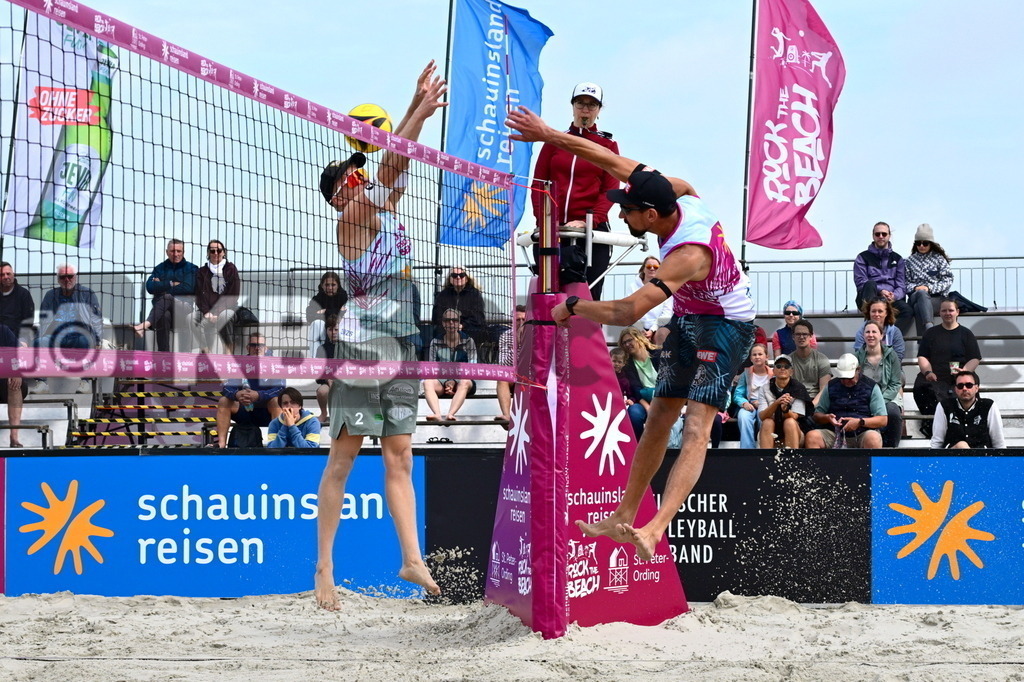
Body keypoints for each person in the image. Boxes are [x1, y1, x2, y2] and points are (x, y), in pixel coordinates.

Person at [506, 105, 756, 561]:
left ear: (655, 214)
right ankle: (624, 517)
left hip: (727, 325)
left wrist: (574, 307)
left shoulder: (688, 254)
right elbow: (601, 156)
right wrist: (545, 134)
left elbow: (626, 312)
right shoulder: (674, 190)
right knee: (660, 416)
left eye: (629, 212)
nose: (620, 216)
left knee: (696, 427)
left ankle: (656, 527)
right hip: (689, 316)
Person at [315, 62, 446, 608]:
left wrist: (415, 109)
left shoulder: (383, 211)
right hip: (362, 351)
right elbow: (392, 164)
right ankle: (323, 568)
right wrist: (416, 111)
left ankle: (411, 558)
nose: (360, 173)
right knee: (342, 460)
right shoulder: (352, 219)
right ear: (342, 190)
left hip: (399, 346)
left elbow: (397, 163)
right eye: (353, 173)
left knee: (399, 457)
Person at [530, 82, 619, 300]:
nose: (585, 109)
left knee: (589, 296)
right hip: (553, 230)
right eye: (580, 103)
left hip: (592, 232)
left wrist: (590, 220)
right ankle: (548, 335)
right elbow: (538, 184)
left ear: (599, 110)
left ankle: (588, 333)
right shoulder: (554, 141)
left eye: (591, 105)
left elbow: (611, 188)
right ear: (572, 106)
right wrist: (546, 220)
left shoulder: (608, 146)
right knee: (550, 295)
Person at [914, 298, 982, 437]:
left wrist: (965, 372)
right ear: (939, 313)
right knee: (923, 388)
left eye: (950, 310)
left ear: (957, 312)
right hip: (935, 377)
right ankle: (932, 426)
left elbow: (975, 358)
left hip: (959, 377)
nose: (947, 313)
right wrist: (928, 372)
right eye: (944, 310)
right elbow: (922, 357)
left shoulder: (966, 333)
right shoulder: (930, 333)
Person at [34, 264, 103, 394]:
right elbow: (43, 321)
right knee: (39, 343)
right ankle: (42, 382)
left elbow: (96, 319)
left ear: (75, 277)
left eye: (70, 276)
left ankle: (85, 381)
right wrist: (38, 338)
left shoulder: (87, 294)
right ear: (58, 279)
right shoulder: (50, 295)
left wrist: (98, 340)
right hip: (55, 336)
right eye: (63, 276)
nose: (67, 279)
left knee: (86, 341)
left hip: (79, 335)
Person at [214, 333, 284, 448]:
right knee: (224, 401)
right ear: (247, 348)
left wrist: (259, 395)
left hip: (265, 411)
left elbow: (280, 389)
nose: (257, 348)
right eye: (253, 345)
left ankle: (275, 445)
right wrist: (237, 394)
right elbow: (226, 388)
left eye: (261, 345)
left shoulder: (274, 364)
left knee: (276, 401)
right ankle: (221, 443)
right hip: (244, 410)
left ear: (266, 348)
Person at [805, 353, 887, 449]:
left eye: (849, 378)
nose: (845, 381)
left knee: (873, 438)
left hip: (862, 433)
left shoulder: (871, 387)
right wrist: (827, 418)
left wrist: (860, 422)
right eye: (842, 378)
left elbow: (883, 419)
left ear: (858, 370)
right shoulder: (831, 386)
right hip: (835, 433)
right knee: (812, 437)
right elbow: (817, 415)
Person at [133, 239, 199, 352]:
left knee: (167, 297)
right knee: (164, 315)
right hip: (162, 311)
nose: (176, 254)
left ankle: (145, 324)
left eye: (179, 251)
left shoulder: (192, 268)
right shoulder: (159, 268)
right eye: (173, 251)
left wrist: (162, 287)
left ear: (183, 252)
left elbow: (189, 288)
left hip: (184, 310)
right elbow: (150, 287)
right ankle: (164, 355)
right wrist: (171, 283)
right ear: (166, 252)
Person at [852, 222, 913, 333]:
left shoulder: (898, 259)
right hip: (870, 297)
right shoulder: (862, 257)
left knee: (908, 310)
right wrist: (881, 291)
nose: (881, 236)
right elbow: (861, 282)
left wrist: (893, 296)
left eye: (884, 234)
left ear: (889, 235)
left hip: (891, 299)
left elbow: (901, 285)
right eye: (877, 234)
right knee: (870, 284)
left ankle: (891, 339)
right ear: (873, 236)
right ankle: (872, 330)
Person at [854, 321, 903, 447]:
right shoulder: (857, 357)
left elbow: (895, 383)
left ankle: (892, 448)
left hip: (888, 396)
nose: (870, 335)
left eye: (874, 332)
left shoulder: (892, 355)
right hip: (865, 397)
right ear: (863, 335)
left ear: (881, 335)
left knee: (892, 412)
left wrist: (880, 399)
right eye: (867, 332)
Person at [423, 309, 477, 423]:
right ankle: (437, 414)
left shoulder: (468, 341)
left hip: (463, 381)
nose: (451, 323)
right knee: (427, 382)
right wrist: (447, 381)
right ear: (443, 323)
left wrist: (454, 381)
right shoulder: (435, 342)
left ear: (459, 323)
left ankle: (450, 414)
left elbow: (472, 368)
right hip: (442, 382)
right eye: (447, 320)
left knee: (465, 382)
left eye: (454, 320)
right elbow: (432, 368)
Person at [0, 262, 34, 444]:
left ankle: (14, 437)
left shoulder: (23, 295)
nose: (6, 277)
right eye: (2, 274)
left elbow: (28, 324)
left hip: (16, 345)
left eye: (8, 273)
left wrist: (17, 372)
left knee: (14, 383)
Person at [930, 370, 1005, 449]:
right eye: (960, 386)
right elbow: (937, 441)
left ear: (976, 388)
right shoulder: (944, 406)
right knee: (961, 445)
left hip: (982, 457)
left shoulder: (988, 405)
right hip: (953, 457)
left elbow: (998, 441)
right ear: (955, 389)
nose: (964, 388)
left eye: (969, 385)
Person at [905, 223, 953, 336]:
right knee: (921, 294)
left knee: (918, 307)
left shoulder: (939, 259)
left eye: (925, 243)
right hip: (915, 295)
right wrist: (916, 288)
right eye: (918, 243)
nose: (921, 246)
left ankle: (923, 342)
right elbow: (904, 283)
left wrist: (929, 288)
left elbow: (948, 280)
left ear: (930, 244)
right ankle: (930, 330)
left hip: (936, 298)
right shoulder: (909, 261)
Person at [194, 240, 241, 354]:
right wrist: (206, 312)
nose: (216, 253)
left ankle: (228, 352)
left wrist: (216, 312)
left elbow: (233, 295)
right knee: (191, 318)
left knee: (225, 316)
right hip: (207, 312)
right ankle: (206, 352)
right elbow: (199, 296)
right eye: (212, 251)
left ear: (224, 252)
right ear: (208, 253)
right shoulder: (202, 272)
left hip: (226, 309)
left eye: (219, 250)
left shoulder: (231, 269)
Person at [755, 355, 812, 449]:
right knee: (767, 422)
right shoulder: (764, 388)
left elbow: (795, 416)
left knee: (790, 421)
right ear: (773, 371)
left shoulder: (798, 388)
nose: (782, 369)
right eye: (778, 366)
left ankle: (792, 460)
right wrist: (776, 403)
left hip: (794, 432)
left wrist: (785, 410)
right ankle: (765, 460)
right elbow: (762, 416)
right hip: (769, 431)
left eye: (786, 367)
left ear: (791, 371)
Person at [430, 266, 487, 345]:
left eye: (462, 275)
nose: (458, 277)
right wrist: (449, 325)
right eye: (454, 275)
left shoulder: (475, 294)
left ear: (467, 278)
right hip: (447, 328)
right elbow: (437, 316)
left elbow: (478, 317)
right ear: (450, 279)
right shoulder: (443, 295)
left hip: (467, 328)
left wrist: (462, 325)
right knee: (438, 331)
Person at [732, 343, 772, 449]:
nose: (757, 357)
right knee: (743, 417)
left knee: (763, 418)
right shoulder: (746, 373)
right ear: (750, 358)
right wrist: (744, 403)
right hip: (749, 403)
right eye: (754, 355)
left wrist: (763, 403)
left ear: (766, 356)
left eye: (760, 354)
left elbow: (776, 394)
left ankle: (763, 447)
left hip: (766, 404)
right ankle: (747, 449)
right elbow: (738, 394)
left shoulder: (773, 375)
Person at [495, 304, 527, 428]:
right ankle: (506, 416)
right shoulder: (505, 336)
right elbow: (504, 364)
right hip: (514, 374)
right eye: (518, 320)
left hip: (531, 375)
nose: (521, 322)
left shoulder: (536, 335)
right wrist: (518, 344)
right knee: (502, 378)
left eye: (524, 319)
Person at [789, 319, 832, 410]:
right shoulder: (788, 361)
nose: (801, 337)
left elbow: (824, 390)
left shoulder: (822, 359)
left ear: (811, 336)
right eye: (798, 334)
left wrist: (810, 406)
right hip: (795, 402)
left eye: (805, 334)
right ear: (793, 337)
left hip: (816, 402)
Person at [306, 271, 347, 358]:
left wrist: (324, 312)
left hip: (340, 331)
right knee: (317, 323)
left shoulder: (344, 298)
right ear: (322, 285)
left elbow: (345, 315)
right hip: (324, 333)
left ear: (338, 285)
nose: (330, 287)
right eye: (327, 285)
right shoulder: (317, 299)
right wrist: (335, 312)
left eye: (333, 285)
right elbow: (310, 317)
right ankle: (316, 362)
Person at [634, 257, 673, 344]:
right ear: (643, 269)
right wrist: (641, 329)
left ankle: (661, 358)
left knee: (662, 335)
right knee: (632, 337)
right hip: (638, 326)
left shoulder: (667, 287)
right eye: (648, 266)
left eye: (655, 267)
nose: (652, 268)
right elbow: (630, 310)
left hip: (658, 325)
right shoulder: (633, 287)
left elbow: (667, 313)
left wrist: (652, 330)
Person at [314, 313, 339, 427]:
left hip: (346, 382)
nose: (333, 332)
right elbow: (318, 373)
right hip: (328, 382)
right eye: (330, 329)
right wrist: (327, 379)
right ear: (326, 331)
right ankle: (324, 413)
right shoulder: (321, 349)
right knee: (322, 391)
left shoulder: (347, 347)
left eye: (336, 329)